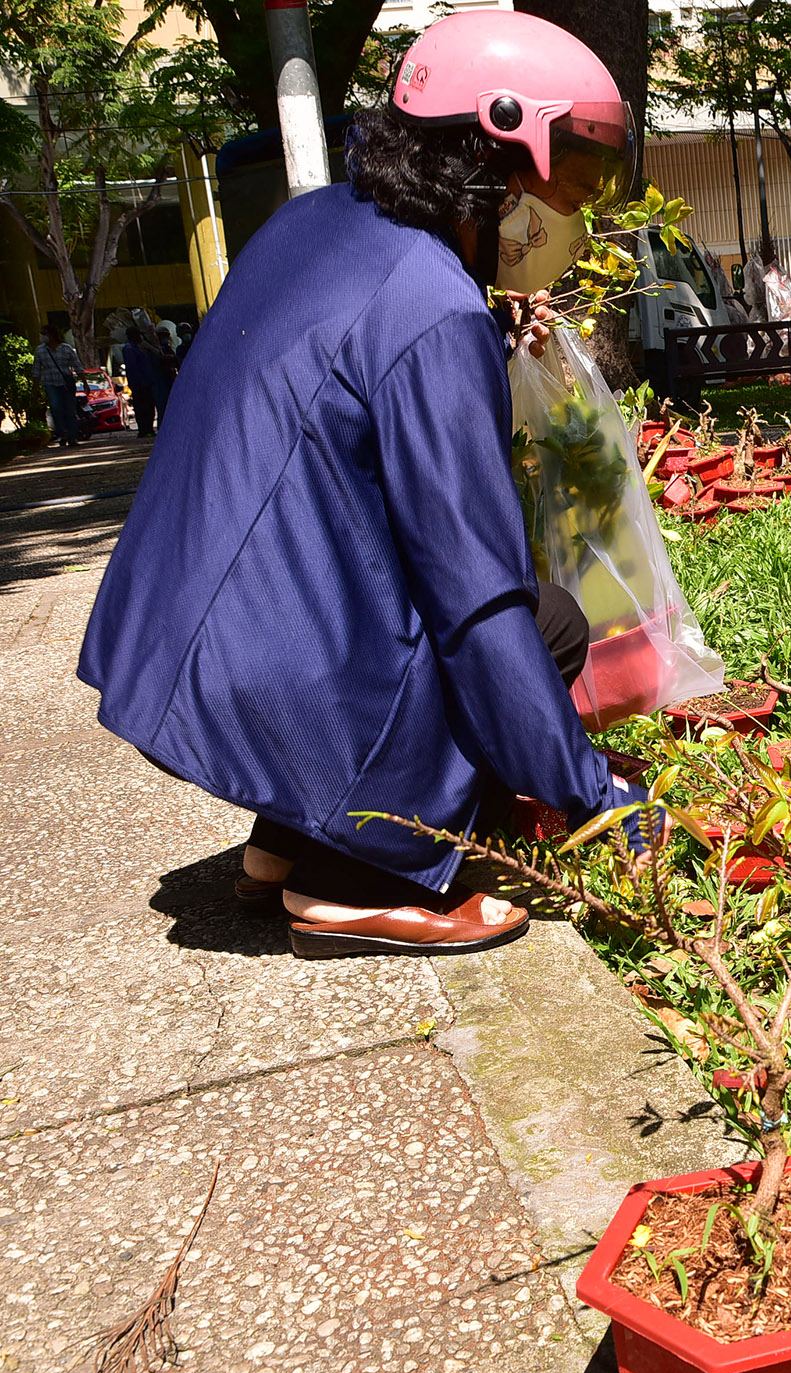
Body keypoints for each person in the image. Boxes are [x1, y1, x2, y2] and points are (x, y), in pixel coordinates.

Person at [78, 10, 643, 959]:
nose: (577, 212)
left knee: (488, 620)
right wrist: (594, 793)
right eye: (573, 179)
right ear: (494, 149)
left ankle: (284, 841)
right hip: (273, 677)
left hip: (188, 645)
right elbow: (477, 603)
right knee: (538, 626)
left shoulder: (321, 222)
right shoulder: (430, 300)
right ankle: (353, 879)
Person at [32, 326, 82, 448]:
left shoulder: (66, 348)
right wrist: (35, 388)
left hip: (66, 384)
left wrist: (85, 383)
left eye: (44, 334)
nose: (42, 336)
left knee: (70, 410)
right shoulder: (40, 351)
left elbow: (77, 366)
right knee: (56, 409)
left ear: (51, 335)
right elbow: (36, 371)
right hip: (50, 384)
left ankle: (72, 436)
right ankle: (62, 434)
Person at [121, 325, 166, 437]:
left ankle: (148, 429)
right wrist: (137, 383)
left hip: (146, 382)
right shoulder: (130, 349)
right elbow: (133, 368)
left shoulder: (139, 348)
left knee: (148, 407)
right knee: (143, 408)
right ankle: (144, 430)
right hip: (140, 384)